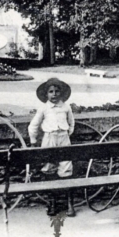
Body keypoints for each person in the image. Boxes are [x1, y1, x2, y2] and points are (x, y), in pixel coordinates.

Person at [28, 77, 76, 216]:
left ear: (61, 93)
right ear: (46, 94)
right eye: (51, 92)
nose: (54, 94)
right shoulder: (44, 108)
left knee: (66, 169)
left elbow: (71, 122)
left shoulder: (66, 107)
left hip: (64, 138)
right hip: (49, 139)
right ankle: (52, 203)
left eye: (57, 91)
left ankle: (69, 204)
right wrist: (33, 141)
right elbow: (33, 125)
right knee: (49, 168)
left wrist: (67, 133)